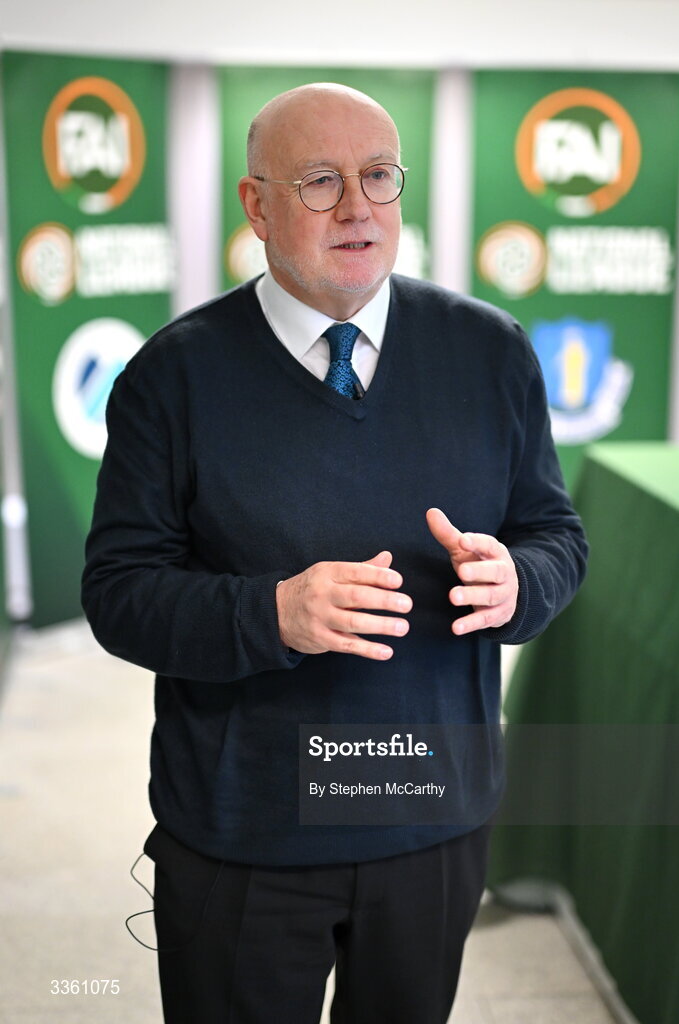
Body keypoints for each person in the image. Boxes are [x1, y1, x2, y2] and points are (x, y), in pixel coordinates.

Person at [82, 82, 587, 1024]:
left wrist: (520, 582)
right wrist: (269, 613)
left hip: (431, 815)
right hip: (244, 832)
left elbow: (555, 536)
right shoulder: (172, 377)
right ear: (256, 204)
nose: (358, 206)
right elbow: (117, 594)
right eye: (319, 181)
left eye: (378, 177)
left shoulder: (491, 354)